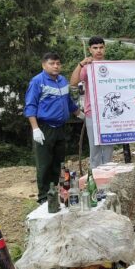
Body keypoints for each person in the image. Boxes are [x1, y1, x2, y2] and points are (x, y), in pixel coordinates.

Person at [24, 52, 79, 203]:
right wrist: (35, 129)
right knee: (44, 164)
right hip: (44, 128)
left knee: (58, 163)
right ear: (44, 65)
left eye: (58, 63)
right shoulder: (37, 82)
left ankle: (56, 192)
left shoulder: (62, 80)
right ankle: (43, 197)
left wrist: (80, 114)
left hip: (61, 127)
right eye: (52, 63)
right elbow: (30, 106)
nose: (56, 66)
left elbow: (68, 102)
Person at [70, 36, 114, 168]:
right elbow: (73, 83)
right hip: (92, 112)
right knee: (94, 147)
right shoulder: (87, 67)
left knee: (108, 146)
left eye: (101, 47)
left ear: (105, 48)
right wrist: (81, 64)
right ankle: (94, 175)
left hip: (109, 113)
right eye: (95, 48)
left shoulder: (112, 66)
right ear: (90, 49)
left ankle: (107, 174)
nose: (98, 50)